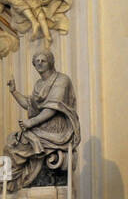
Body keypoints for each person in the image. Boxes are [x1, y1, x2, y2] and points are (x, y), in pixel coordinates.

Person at [5, 49, 79, 190]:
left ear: (50, 62)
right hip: (41, 126)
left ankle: (23, 181)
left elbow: (53, 107)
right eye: (37, 61)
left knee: (21, 143)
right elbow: (29, 104)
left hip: (57, 129)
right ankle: (20, 184)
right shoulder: (39, 84)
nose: (39, 64)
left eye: (43, 60)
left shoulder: (62, 80)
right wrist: (14, 91)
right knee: (13, 142)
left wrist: (31, 122)